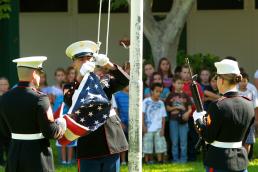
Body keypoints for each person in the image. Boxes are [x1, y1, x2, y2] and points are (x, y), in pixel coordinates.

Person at [64, 40, 128, 172]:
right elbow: (70, 101)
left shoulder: (103, 80)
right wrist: (80, 77)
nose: (86, 62)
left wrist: (109, 65)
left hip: (109, 140)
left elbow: (125, 80)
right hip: (88, 144)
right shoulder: (70, 86)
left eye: (89, 58)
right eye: (81, 59)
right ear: (73, 63)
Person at [0, 56, 66, 172]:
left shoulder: (4, 98)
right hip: (38, 155)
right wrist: (61, 125)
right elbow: (50, 132)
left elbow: (4, 131)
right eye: (39, 73)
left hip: (14, 153)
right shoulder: (40, 98)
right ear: (34, 74)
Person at [193, 59, 255, 172]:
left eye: (217, 78)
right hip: (240, 160)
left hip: (219, 161)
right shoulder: (249, 104)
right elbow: (244, 136)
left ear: (221, 80)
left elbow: (208, 137)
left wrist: (198, 120)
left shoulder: (217, 105)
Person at [165, 76, 192, 163]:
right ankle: (175, 159)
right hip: (173, 120)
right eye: (178, 83)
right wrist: (176, 107)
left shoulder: (186, 95)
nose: (180, 85)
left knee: (183, 142)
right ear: (173, 84)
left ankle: (183, 159)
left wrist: (187, 114)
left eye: (182, 83)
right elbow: (168, 108)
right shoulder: (170, 95)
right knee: (174, 141)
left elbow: (190, 109)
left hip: (183, 121)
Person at [142, 83, 167, 164]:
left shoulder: (161, 103)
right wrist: (143, 126)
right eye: (157, 91)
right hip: (148, 127)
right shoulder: (146, 101)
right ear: (152, 91)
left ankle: (160, 160)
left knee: (160, 144)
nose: (158, 93)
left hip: (158, 127)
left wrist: (163, 128)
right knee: (147, 144)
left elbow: (163, 117)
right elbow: (142, 114)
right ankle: (147, 160)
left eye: (160, 92)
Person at [238, 72, 256, 158]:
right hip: (238, 120)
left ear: (247, 82)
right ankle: (238, 158)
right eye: (241, 81)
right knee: (239, 140)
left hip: (249, 120)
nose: (243, 83)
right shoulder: (235, 92)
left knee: (248, 141)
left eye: (245, 81)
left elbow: (255, 106)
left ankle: (245, 158)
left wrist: (256, 119)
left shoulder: (251, 92)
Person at [112, 85, 129, 165]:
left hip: (132, 122)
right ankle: (123, 161)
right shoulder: (117, 95)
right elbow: (116, 109)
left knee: (132, 141)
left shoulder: (134, 94)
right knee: (122, 141)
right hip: (122, 122)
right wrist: (120, 122)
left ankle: (131, 159)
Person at [0, 77, 10, 166]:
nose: (3, 86)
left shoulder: (11, 96)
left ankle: (10, 160)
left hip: (8, 124)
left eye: (5, 84)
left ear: (8, 85)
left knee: (9, 144)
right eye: (1, 84)